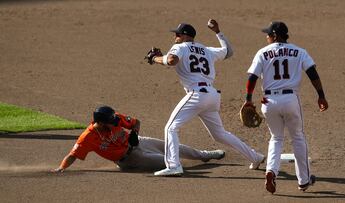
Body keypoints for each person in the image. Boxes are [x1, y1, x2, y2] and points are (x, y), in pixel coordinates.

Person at [150, 19, 265, 177]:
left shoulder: (180, 47)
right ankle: (255, 157)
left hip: (196, 94)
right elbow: (228, 51)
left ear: (185, 36)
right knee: (220, 134)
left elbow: (171, 61)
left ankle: (173, 166)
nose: (175, 36)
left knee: (171, 128)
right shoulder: (207, 50)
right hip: (211, 96)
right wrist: (218, 32)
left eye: (177, 34)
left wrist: (155, 59)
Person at [244, 21, 329, 193]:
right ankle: (304, 180)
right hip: (290, 100)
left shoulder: (262, 52)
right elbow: (312, 73)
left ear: (274, 35)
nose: (267, 37)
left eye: (268, 34)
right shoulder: (299, 51)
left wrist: (248, 99)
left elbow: (252, 77)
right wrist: (321, 95)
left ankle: (270, 171)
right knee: (297, 137)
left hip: (269, 102)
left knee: (276, 138)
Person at [52, 106, 226, 172]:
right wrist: (61, 168)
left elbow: (136, 122)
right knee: (171, 162)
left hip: (139, 142)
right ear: (99, 122)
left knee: (173, 146)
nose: (114, 123)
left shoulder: (115, 117)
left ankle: (204, 155)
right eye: (110, 123)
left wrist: (134, 133)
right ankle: (178, 166)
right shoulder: (87, 137)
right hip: (130, 159)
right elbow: (73, 155)